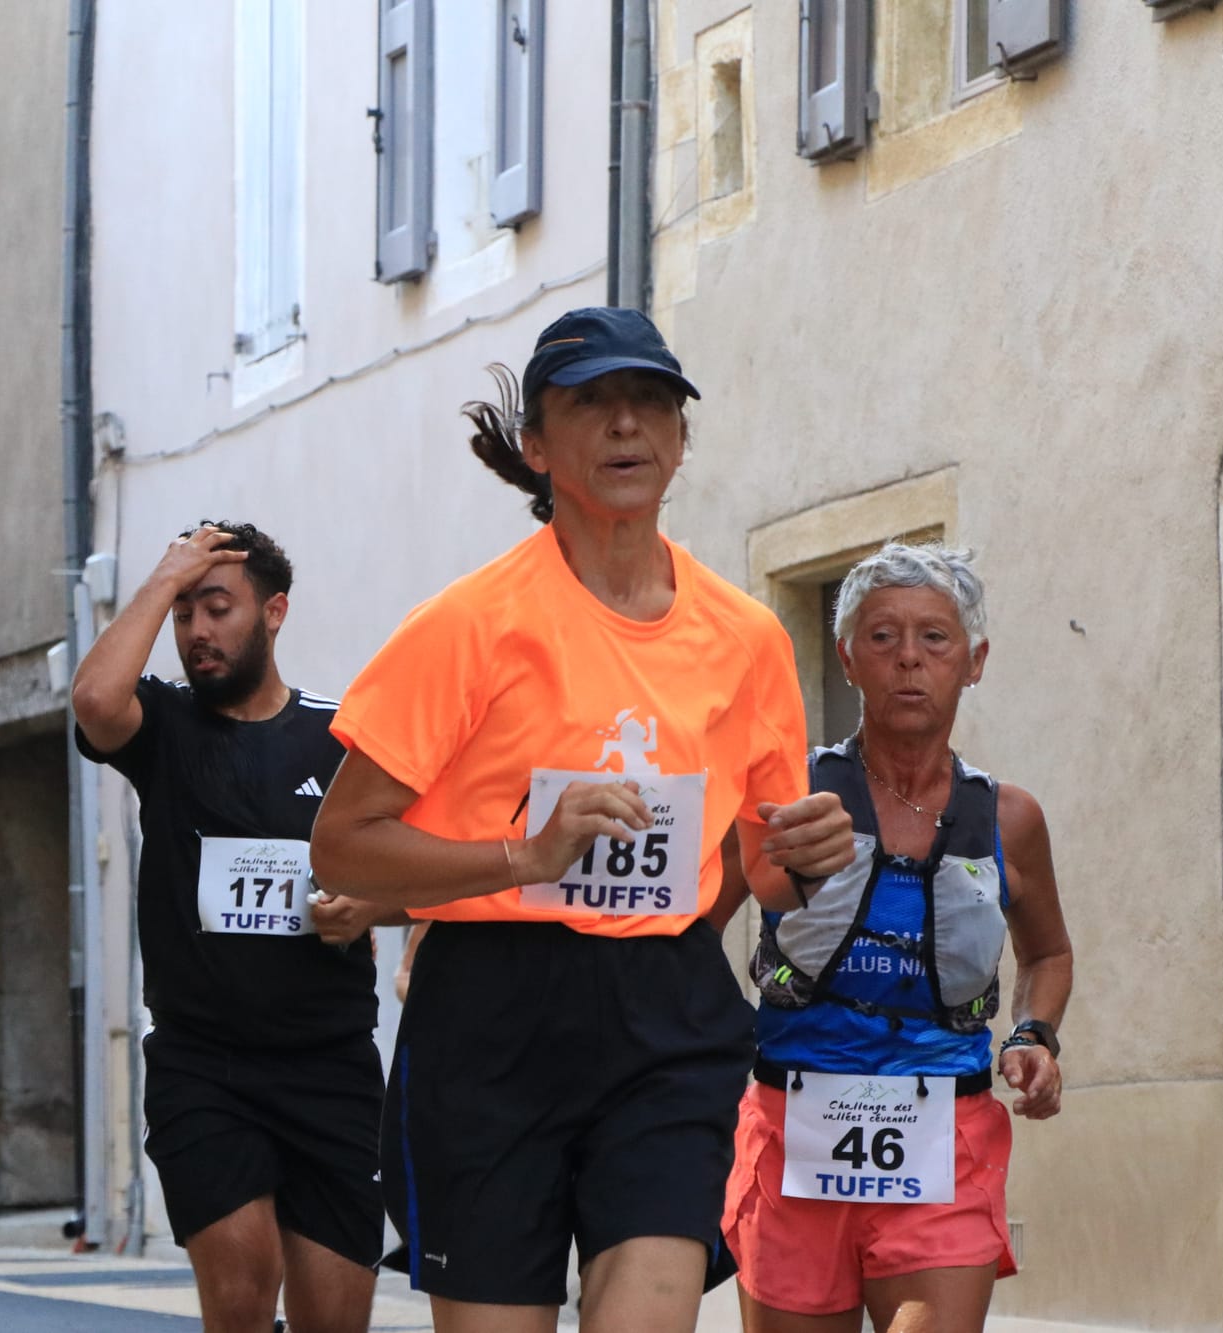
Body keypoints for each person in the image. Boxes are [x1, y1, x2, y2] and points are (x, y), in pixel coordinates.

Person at [309, 306, 856, 1333]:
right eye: (590, 404)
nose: (623, 427)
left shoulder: (745, 636)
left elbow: (766, 870)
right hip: (489, 1014)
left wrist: (809, 856)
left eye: (649, 403)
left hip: (665, 1010)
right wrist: (524, 855)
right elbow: (342, 844)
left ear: (680, 440)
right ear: (533, 445)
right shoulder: (467, 626)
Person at [720, 544, 1074, 1333]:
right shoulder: (789, 797)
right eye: (883, 637)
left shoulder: (1010, 818)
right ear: (848, 656)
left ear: (974, 660)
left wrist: (1034, 1034)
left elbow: (1048, 952)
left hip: (945, 1136)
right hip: (792, 1130)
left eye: (935, 639)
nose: (909, 658)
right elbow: (696, 923)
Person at [73, 520, 404, 1333]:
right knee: (244, 1286)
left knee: (333, 1317)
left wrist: (372, 906)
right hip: (203, 1067)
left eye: (216, 608)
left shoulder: (341, 739)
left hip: (330, 1067)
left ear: (275, 611)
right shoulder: (165, 726)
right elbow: (92, 701)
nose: (197, 631)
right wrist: (163, 579)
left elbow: (423, 871)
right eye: (185, 614)